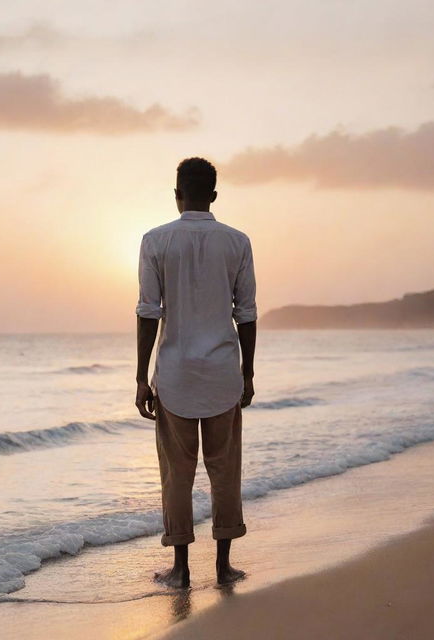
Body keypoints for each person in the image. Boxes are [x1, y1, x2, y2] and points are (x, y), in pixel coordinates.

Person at [135, 156, 257, 588]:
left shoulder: (155, 241)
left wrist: (139, 378)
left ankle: (182, 570)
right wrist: (248, 374)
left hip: (175, 376)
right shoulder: (237, 242)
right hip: (223, 372)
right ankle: (223, 567)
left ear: (177, 194)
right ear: (214, 195)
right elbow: (246, 314)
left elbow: (148, 313)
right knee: (224, 472)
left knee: (177, 475)